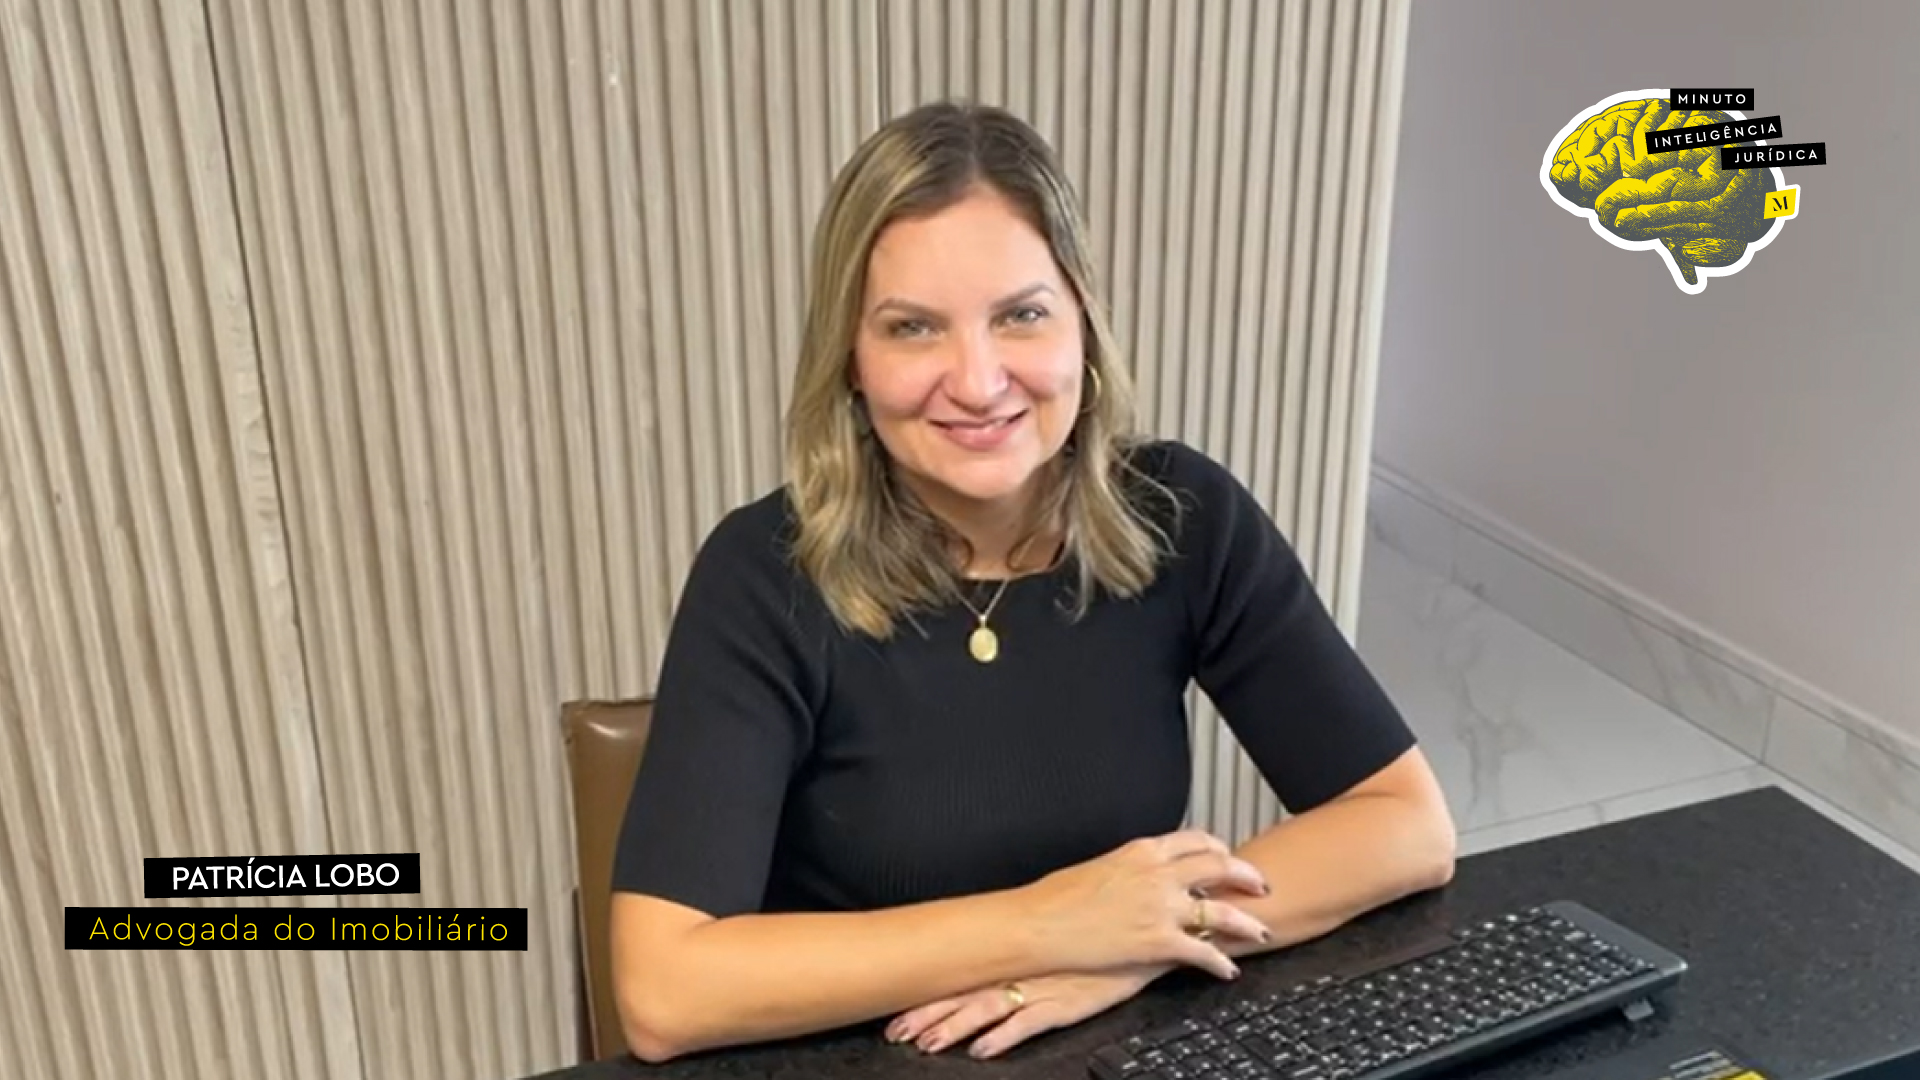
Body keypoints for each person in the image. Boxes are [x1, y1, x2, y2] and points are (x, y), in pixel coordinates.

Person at [606, 99, 1456, 1066]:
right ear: (850, 359)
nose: (976, 381)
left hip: (1116, 1045)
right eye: (913, 328)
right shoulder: (763, 574)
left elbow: (1404, 826)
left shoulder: (1181, 516)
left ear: (1082, 323)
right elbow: (666, 989)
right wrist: (1052, 926)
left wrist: (1142, 946)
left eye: (1021, 315)